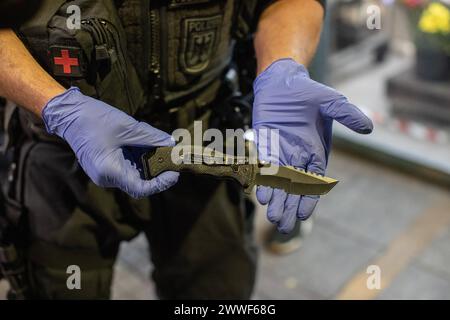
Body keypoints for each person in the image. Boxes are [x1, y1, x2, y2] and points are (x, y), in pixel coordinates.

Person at [0, 0, 372, 299]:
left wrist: (283, 66)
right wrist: (55, 106)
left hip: (207, 135)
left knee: (218, 290)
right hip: (66, 144)